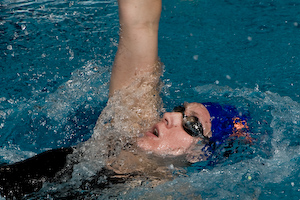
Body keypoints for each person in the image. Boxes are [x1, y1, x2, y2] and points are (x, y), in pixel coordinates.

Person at [0, 0, 251, 198]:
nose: (170, 116)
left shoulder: (167, 194)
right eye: (179, 110)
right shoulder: (129, 125)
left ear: (200, 155)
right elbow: (140, 23)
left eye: (191, 124)